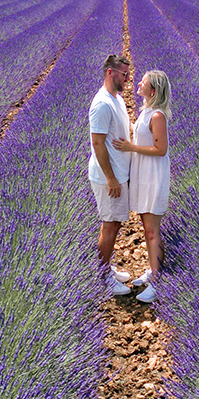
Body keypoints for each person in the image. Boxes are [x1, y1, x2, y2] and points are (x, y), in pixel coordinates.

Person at [112, 70, 170, 303]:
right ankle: (154, 270)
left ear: (153, 90)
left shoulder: (157, 116)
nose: (138, 83)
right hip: (143, 175)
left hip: (153, 176)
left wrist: (131, 148)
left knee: (152, 231)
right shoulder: (146, 111)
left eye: (143, 82)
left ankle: (158, 282)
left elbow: (161, 149)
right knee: (147, 228)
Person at [88, 54, 134, 295]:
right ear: (110, 72)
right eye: (124, 74)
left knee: (115, 223)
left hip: (119, 172)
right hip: (109, 176)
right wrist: (110, 178)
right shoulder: (102, 104)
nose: (127, 78)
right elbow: (97, 143)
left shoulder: (117, 99)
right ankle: (102, 278)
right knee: (110, 224)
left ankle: (106, 268)